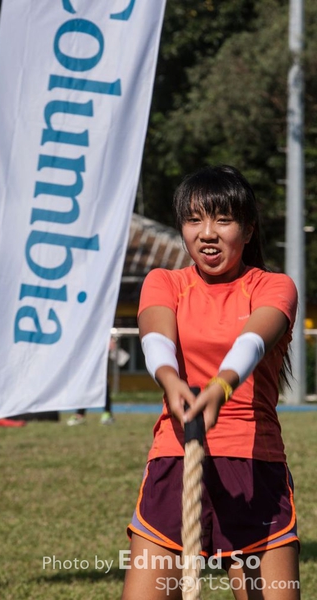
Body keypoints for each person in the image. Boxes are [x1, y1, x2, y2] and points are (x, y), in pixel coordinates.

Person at [121, 165, 300, 600]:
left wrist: (222, 386)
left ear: (248, 229)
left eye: (223, 220)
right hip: (176, 459)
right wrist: (169, 379)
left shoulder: (274, 286)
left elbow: (253, 341)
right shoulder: (165, 282)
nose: (207, 234)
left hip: (253, 465)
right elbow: (156, 339)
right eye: (193, 220)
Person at [66, 337, 123, 426]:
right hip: (88, 351)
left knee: (102, 383)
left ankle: (107, 414)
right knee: (86, 384)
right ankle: (80, 414)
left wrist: (110, 339)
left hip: (99, 352)